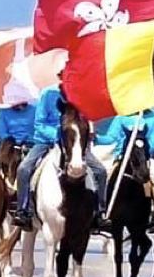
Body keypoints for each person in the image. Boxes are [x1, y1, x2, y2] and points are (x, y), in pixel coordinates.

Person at [11, 86, 107, 229]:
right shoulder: (48, 94)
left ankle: (99, 212)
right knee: (24, 169)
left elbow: (85, 122)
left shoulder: (82, 96)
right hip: (45, 142)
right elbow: (39, 124)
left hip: (74, 145)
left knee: (100, 171)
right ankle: (23, 210)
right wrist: (59, 137)